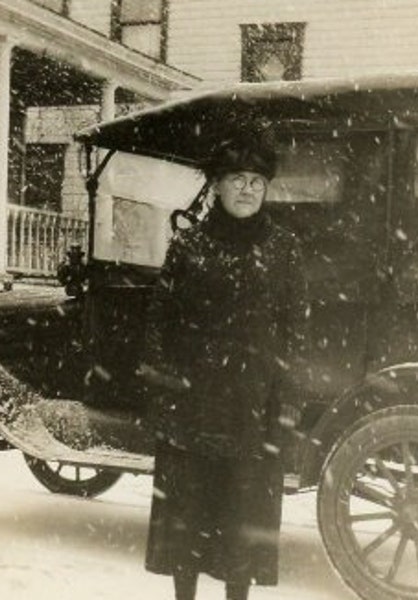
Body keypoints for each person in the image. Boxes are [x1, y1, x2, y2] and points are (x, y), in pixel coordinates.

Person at [137, 132, 308, 600]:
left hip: (253, 406)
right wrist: (165, 383)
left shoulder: (283, 248)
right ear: (216, 185)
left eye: (256, 181)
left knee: (243, 515)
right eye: (236, 179)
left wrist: (288, 397)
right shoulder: (188, 246)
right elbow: (159, 321)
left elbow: (295, 328)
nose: (247, 189)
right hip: (192, 403)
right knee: (187, 516)